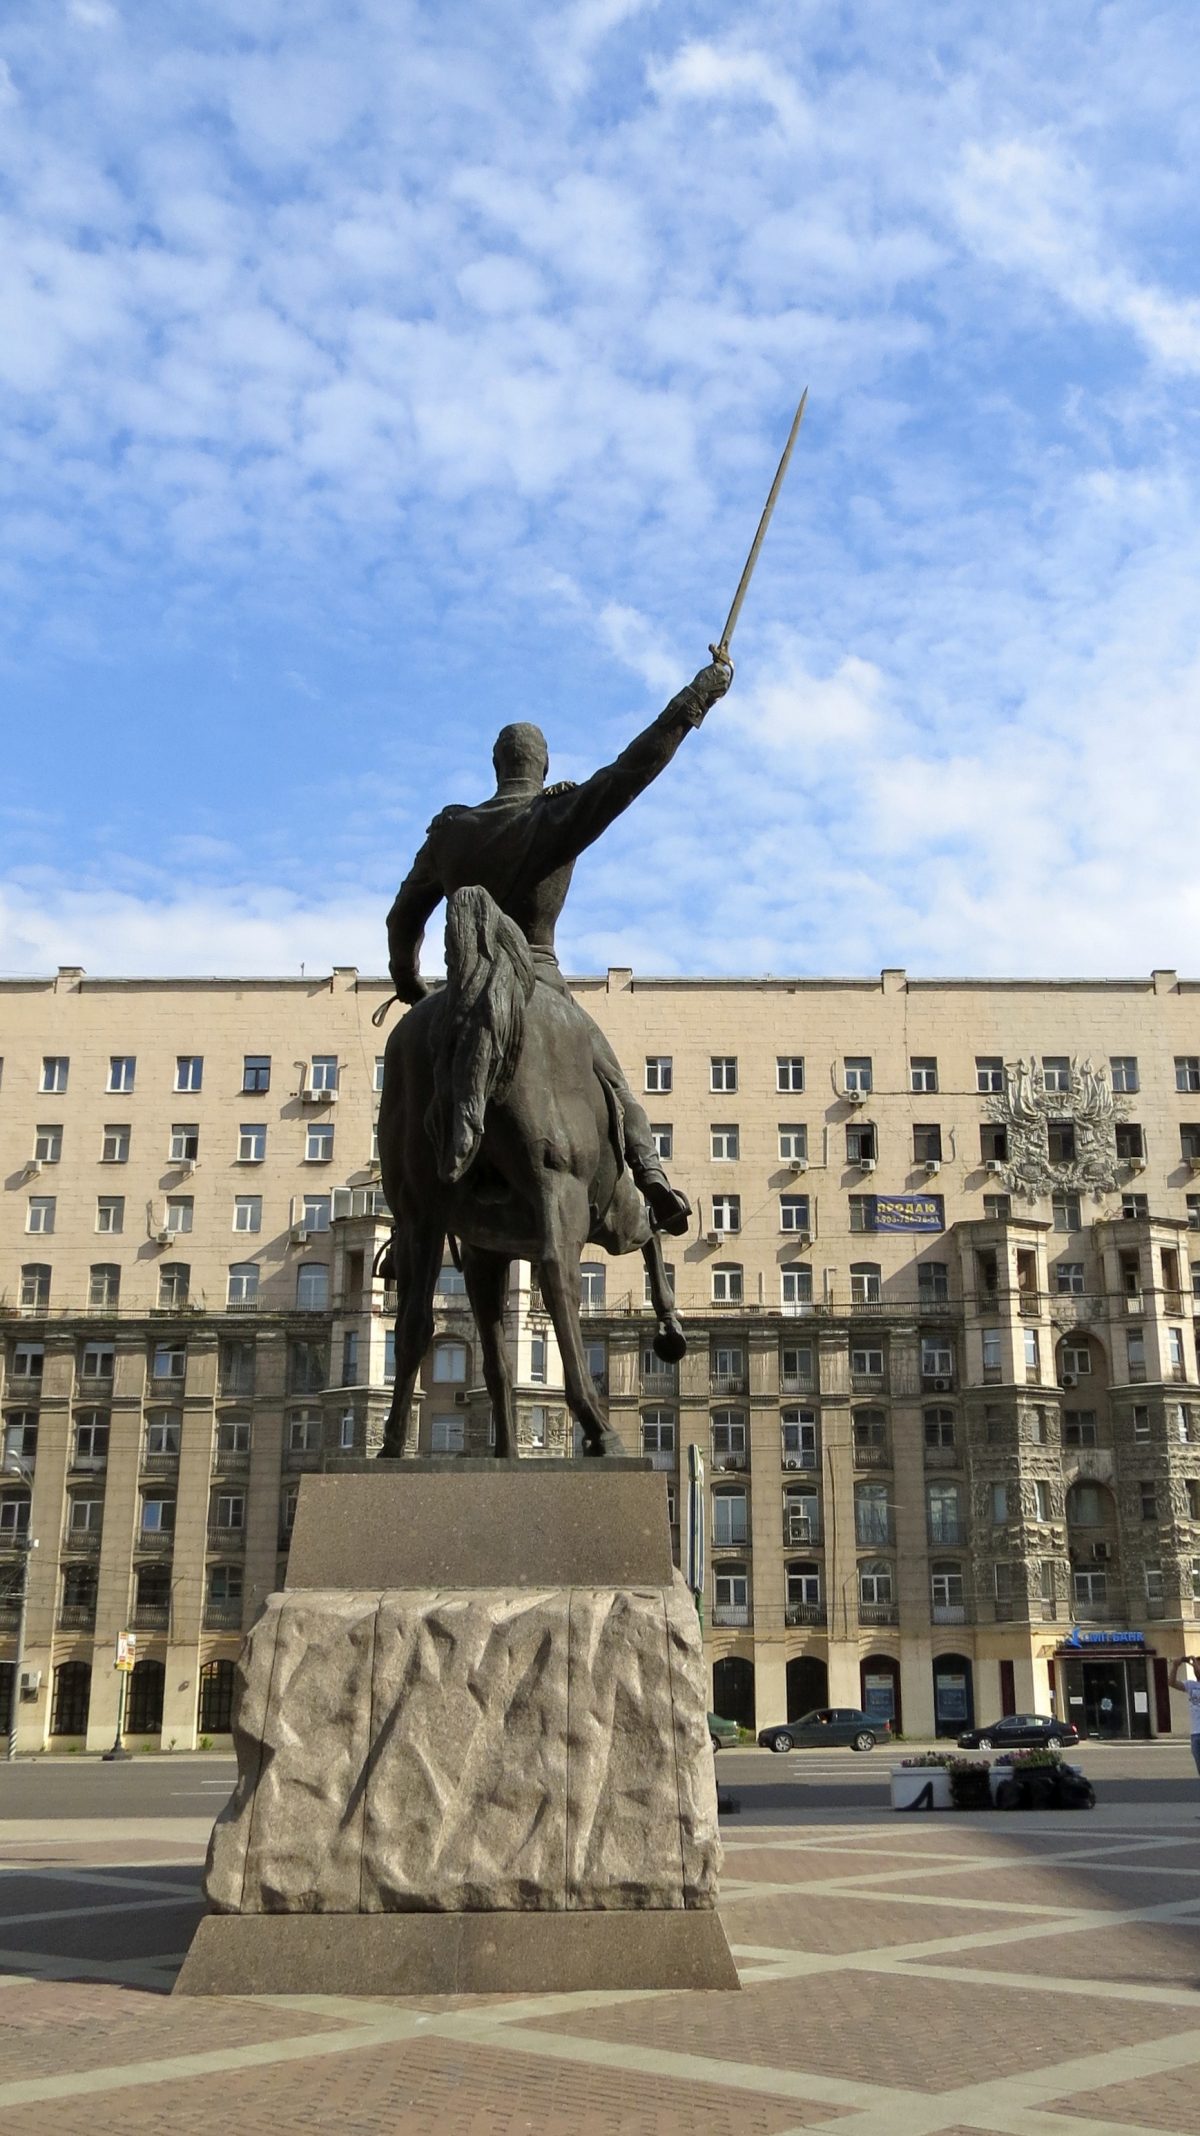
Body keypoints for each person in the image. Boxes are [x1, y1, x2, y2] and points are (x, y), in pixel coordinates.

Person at [386, 660, 733, 1235]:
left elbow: (403, 919)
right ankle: (652, 1178)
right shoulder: (555, 813)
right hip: (540, 980)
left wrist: (411, 985)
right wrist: (698, 697)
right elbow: (632, 770)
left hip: (455, 988)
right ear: (542, 766)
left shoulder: (449, 832)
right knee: (612, 1081)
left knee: (407, 1118)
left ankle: (406, 1235)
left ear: (496, 766)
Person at [1168, 1657, 1200, 1787]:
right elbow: (1172, 1683)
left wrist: (1194, 1663)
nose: (1196, 1668)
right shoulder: (1191, 1685)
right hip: (1195, 1733)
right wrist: (1175, 1666)